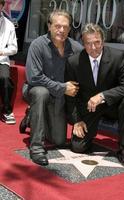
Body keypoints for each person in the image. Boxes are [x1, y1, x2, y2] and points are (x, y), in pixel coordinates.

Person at [65, 23, 124, 168]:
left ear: (103, 41)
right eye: (88, 43)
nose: (93, 47)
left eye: (97, 42)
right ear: (83, 44)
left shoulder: (117, 57)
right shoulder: (73, 62)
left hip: (112, 105)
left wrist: (102, 96)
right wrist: (77, 120)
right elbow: (70, 95)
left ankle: (123, 148)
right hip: (88, 107)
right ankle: (89, 136)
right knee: (78, 147)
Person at [24, 9, 82, 166]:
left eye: (65, 27)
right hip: (36, 90)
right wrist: (63, 88)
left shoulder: (76, 49)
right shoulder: (37, 45)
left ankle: (33, 116)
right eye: (57, 26)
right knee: (41, 93)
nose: (61, 30)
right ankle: (36, 147)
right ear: (49, 26)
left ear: (70, 29)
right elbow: (34, 77)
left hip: (58, 98)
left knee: (59, 140)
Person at [0, 0, 18, 124]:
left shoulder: (9, 25)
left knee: (5, 79)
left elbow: (14, 48)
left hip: (1, 59)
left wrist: (2, 52)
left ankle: (7, 111)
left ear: (2, 6)